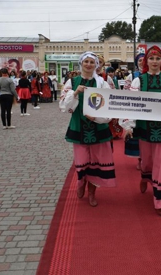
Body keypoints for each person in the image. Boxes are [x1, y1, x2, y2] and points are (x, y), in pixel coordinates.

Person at [122, 45, 161, 217]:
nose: (155, 62)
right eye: (151, 58)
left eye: (157, 59)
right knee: (148, 161)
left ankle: (160, 200)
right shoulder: (138, 81)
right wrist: (128, 126)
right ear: (146, 61)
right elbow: (132, 104)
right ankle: (145, 177)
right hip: (145, 126)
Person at [59, 51, 116, 207]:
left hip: (99, 127)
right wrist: (75, 93)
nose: (89, 64)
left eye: (92, 62)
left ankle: (92, 192)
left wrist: (97, 117)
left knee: (96, 163)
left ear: (96, 65)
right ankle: (81, 181)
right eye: (86, 62)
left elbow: (110, 107)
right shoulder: (72, 82)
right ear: (81, 63)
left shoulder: (102, 83)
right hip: (79, 126)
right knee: (82, 161)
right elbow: (64, 107)